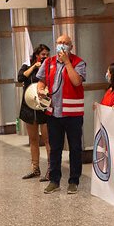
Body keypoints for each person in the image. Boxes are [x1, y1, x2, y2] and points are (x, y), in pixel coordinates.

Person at [36, 34, 86, 194]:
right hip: (53, 113)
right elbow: (41, 79)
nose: (62, 45)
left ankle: (74, 181)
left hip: (73, 114)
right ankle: (54, 180)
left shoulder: (79, 62)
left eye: (65, 43)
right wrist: (40, 88)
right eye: (59, 43)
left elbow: (76, 81)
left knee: (75, 148)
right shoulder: (48, 62)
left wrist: (66, 63)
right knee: (55, 148)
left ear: (71, 46)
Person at [18, 44, 52, 180]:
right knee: (33, 139)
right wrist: (34, 66)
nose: (45, 57)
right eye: (43, 54)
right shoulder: (27, 65)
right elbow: (21, 77)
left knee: (48, 139)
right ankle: (35, 168)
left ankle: (51, 169)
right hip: (29, 107)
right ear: (37, 55)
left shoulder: (50, 66)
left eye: (47, 54)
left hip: (44, 106)